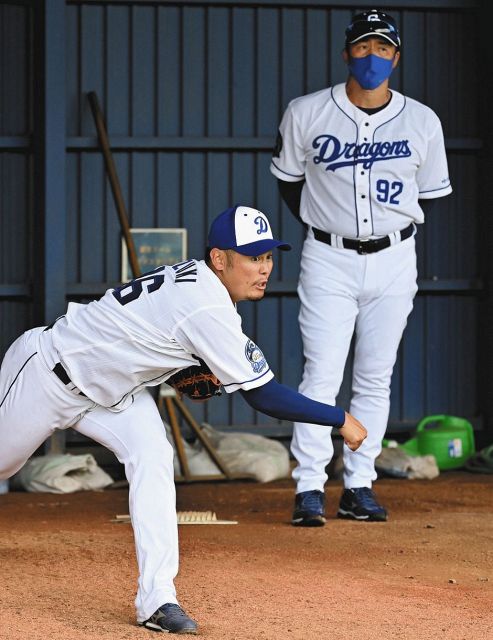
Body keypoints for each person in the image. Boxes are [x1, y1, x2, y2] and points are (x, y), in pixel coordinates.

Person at [0, 204, 367, 634]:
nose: (264, 268)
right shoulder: (206, 306)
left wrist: (179, 371)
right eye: (253, 257)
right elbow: (264, 396)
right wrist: (338, 417)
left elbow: (153, 336)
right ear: (219, 259)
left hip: (112, 393)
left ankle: (158, 600)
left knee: (154, 455)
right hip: (47, 373)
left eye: (268, 256)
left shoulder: (198, 282)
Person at [270, 9, 452, 526]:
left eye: (384, 49)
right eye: (364, 47)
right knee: (320, 375)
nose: (373, 57)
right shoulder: (306, 112)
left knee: (375, 377)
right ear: (347, 51)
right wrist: (325, 224)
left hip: (395, 257)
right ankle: (308, 486)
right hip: (328, 257)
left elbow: (430, 195)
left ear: (397, 57)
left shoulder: (422, 120)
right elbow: (289, 182)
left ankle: (359, 484)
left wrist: (397, 232)